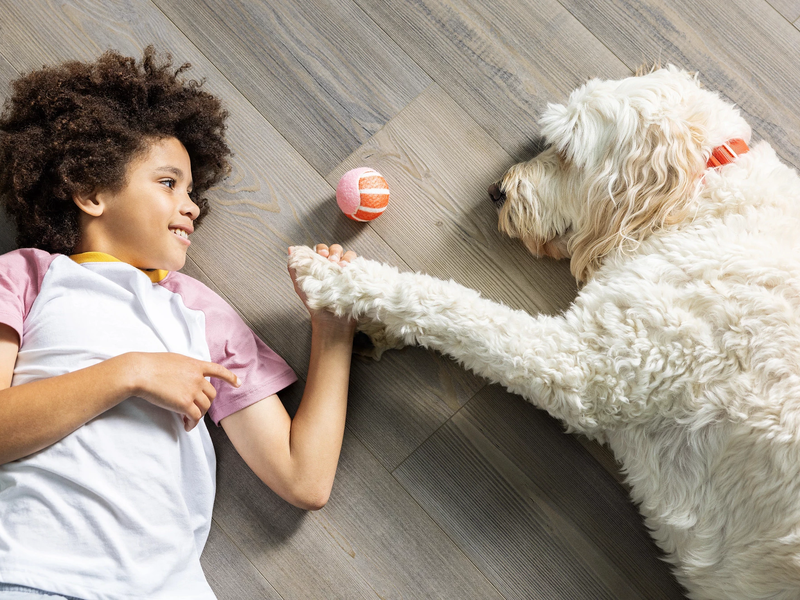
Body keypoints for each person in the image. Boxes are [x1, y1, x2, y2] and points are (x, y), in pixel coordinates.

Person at [0, 46, 357, 599]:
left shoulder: (201, 312)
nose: (191, 207)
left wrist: (333, 330)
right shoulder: (26, 276)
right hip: (31, 576)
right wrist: (133, 373)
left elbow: (304, 478)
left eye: (192, 192)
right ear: (91, 192)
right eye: (169, 183)